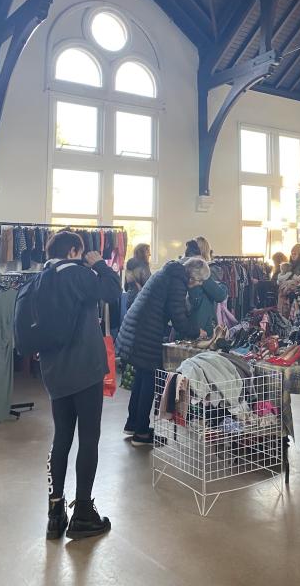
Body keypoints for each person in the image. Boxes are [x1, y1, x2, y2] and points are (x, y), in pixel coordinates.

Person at [42, 231, 122, 541]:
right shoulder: (77, 273)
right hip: (85, 369)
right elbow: (113, 290)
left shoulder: (43, 278)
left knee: (61, 437)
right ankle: (84, 513)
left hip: (54, 370)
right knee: (88, 438)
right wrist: (99, 263)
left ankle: (54, 512)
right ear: (74, 250)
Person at [116, 257, 210, 447]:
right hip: (145, 333)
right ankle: (141, 434)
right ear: (193, 276)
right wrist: (197, 332)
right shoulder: (177, 281)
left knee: (142, 378)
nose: (199, 285)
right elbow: (178, 317)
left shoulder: (168, 273)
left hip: (135, 330)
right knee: (149, 378)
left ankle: (134, 424)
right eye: (200, 281)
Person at [124, 243, 152, 309]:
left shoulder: (129, 264)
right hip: (142, 301)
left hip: (130, 300)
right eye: (148, 252)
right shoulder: (144, 266)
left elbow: (126, 287)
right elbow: (147, 285)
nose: (150, 254)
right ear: (143, 253)